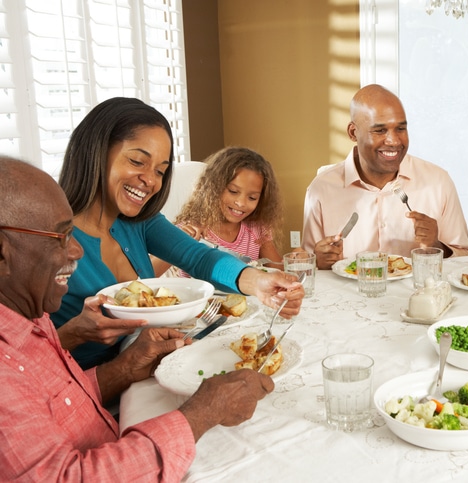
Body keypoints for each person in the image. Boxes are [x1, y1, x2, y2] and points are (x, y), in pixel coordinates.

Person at [0, 156, 282, 480]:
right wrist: (202, 413)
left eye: (161, 170)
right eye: (60, 236)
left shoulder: (30, 319)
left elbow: (60, 402)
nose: (76, 251)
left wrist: (125, 368)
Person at [53, 97, 302, 369]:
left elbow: (199, 258)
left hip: (147, 369)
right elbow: (17, 355)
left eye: (160, 171)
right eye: (137, 161)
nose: (151, 181)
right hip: (81, 387)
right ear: (95, 152)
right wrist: (72, 334)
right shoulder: (48, 239)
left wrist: (257, 282)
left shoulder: (140, 221)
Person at [302, 84, 468, 269]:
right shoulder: (321, 189)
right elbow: (306, 270)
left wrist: (437, 246)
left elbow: (466, 261)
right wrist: (318, 263)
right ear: (353, 133)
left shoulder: (438, 182)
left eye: (400, 129)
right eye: (380, 130)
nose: (393, 141)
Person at [153, 146, 284, 277]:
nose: (241, 203)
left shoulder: (258, 229)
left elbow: (278, 270)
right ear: (214, 188)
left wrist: (294, 261)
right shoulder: (192, 229)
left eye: (252, 197)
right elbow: (148, 273)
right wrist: (179, 242)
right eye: (233, 191)